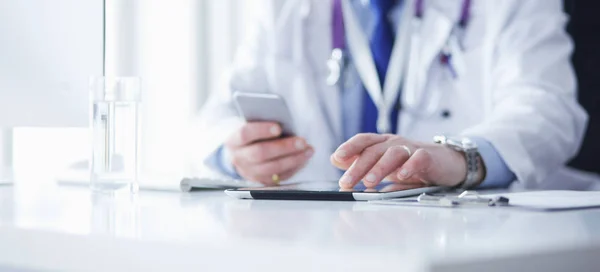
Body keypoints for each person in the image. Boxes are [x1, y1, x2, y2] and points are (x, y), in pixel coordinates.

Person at [194, 0, 597, 190]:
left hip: (474, 242)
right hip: (323, 239)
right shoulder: (285, 10)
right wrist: (236, 154)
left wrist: (462, 157)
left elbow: (548, 110)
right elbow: (215, 119)